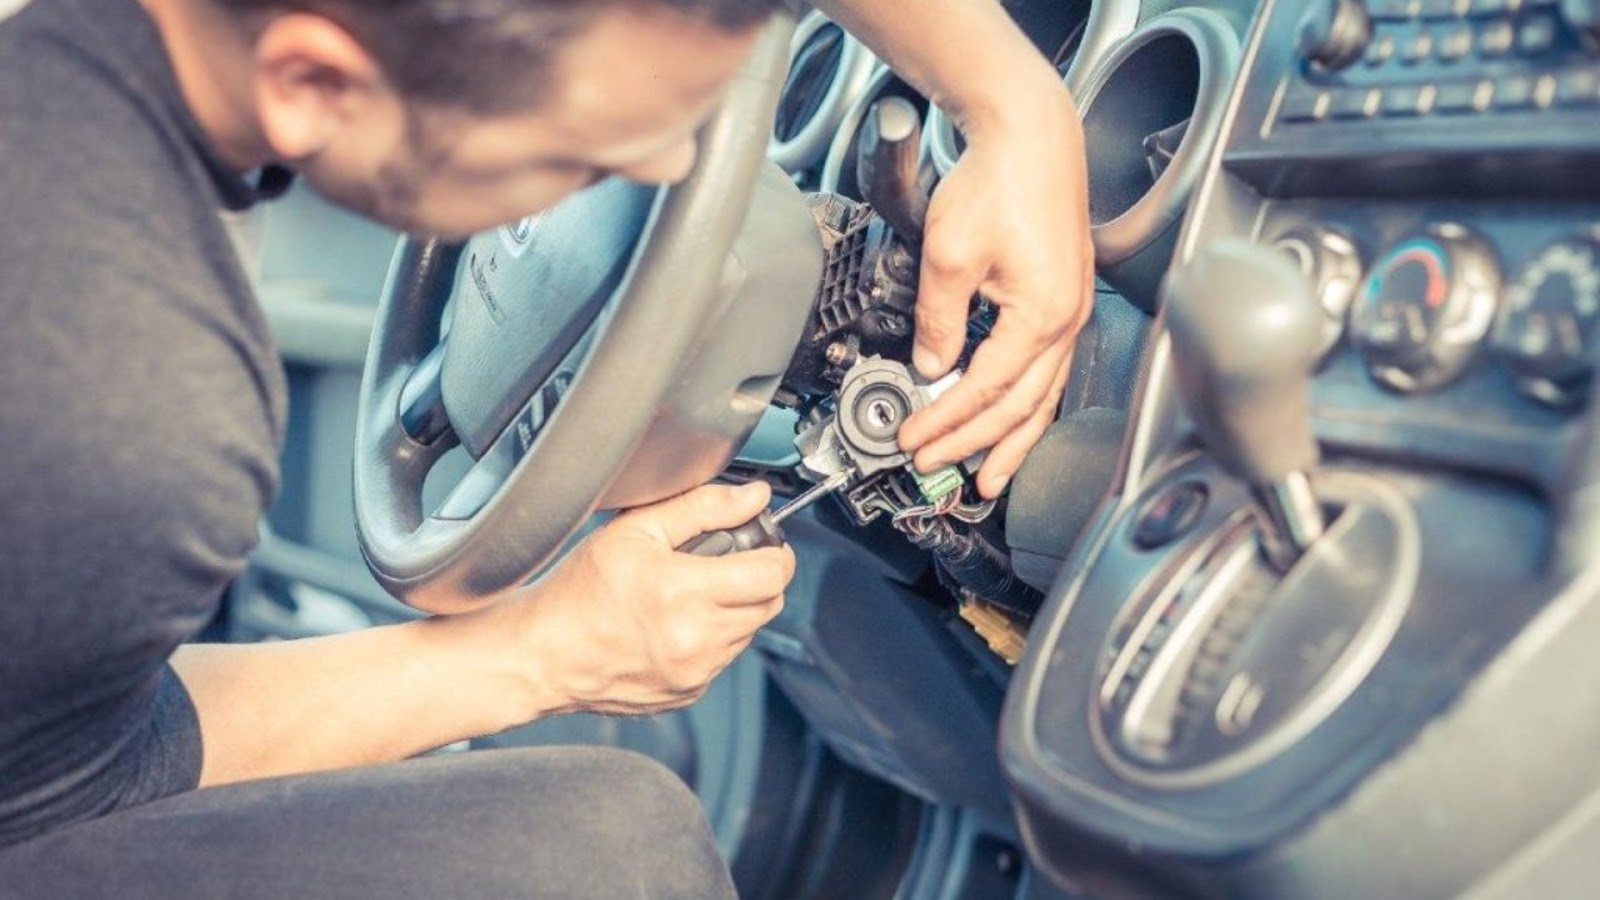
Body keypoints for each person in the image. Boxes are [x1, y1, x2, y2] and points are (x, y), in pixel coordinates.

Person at [0, 0, 1092, 895]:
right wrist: (537, 650)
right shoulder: (122, 407)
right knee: (617, 856)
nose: (676, 170)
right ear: (312, 85)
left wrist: (1013, 105)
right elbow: (66, 787)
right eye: (582, 164)